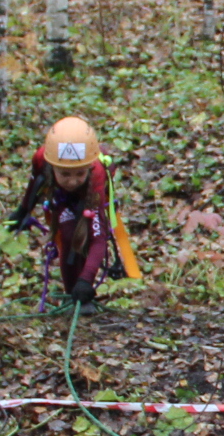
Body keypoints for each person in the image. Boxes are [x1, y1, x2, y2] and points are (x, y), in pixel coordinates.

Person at [11, 117, 140, 308]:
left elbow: (99, 239)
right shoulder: (42, 158)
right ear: (52, 166)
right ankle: (73, 296)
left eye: (79, 173)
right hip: (60, 195)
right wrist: (23, 210)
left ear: (88, 167)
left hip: (89, 193)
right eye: (65, 173)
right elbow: (35, 182)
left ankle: (81, 291)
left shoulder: (95, 173)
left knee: (87, 235)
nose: (72, 181)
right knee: (69, 236)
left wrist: (85, 280)